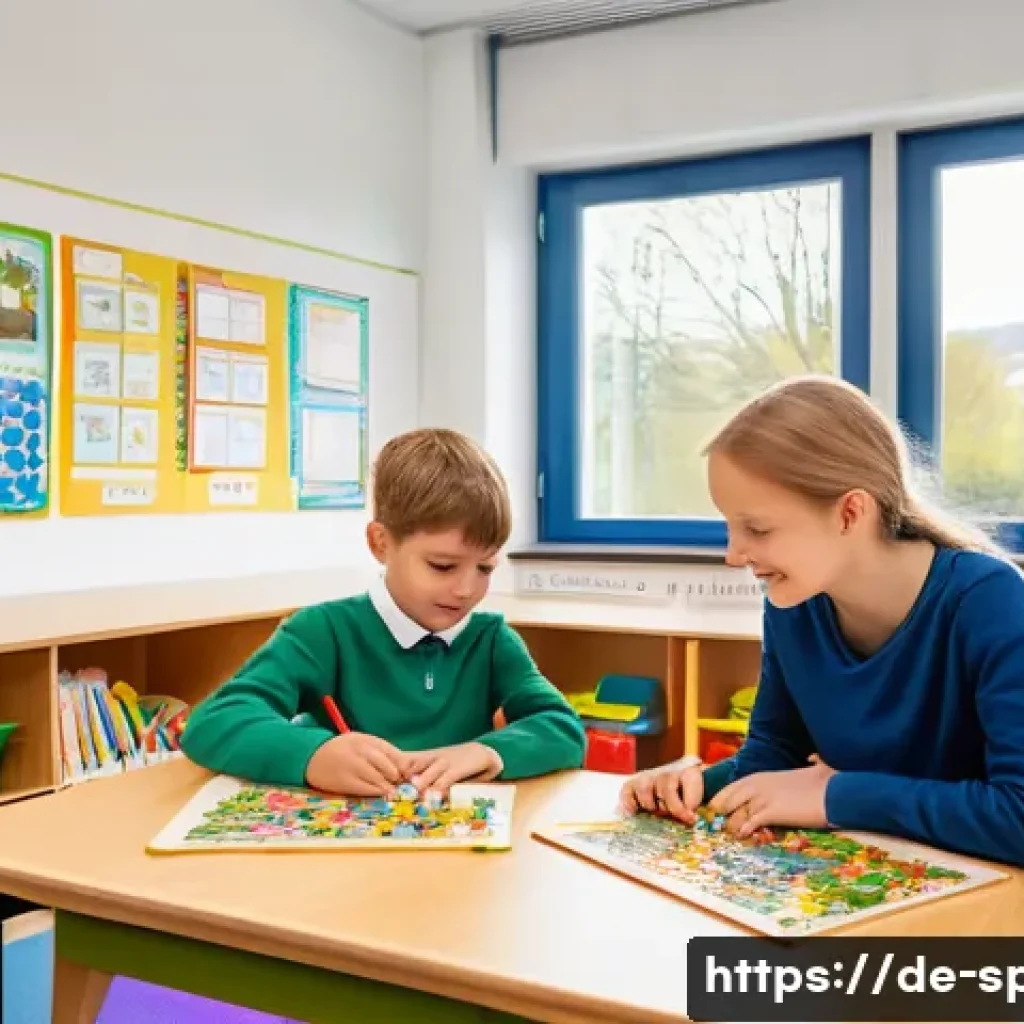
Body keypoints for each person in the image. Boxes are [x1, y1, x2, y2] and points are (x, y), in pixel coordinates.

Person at [619, 374, 1024, 867]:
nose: (733, 554)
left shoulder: (989, 599)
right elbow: (775, 754)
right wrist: (695, 785)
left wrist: (835, 796)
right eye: (730, 526)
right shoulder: (794, 601)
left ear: (850, 513)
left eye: (757, 528)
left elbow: (1018, 814)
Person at [181, 427, 586, 797]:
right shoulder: (322, 631)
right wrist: (314, 755)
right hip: (344, 839)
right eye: (442, 566)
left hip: (457, 840)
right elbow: (213, 722)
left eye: (485, 568)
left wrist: (487, 752)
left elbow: (563, 728)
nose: (466, 589)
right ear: (381, 543)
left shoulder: (491, 640)